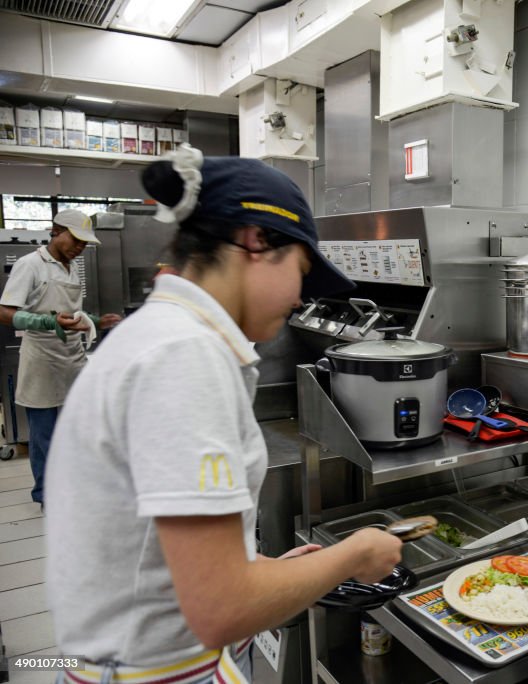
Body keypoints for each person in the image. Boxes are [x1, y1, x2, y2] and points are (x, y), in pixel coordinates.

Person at [44, 145, 403, 683]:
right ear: (258, 241)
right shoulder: (184, 355)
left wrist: (270, 576)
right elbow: (219, 609)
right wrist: (351, 556)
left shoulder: (162, 335)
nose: (300, 297)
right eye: (301, 271)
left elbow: (169, 567)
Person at [0, 210, 121, 508]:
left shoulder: (70, 267)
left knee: (75, 431)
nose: (80, 247)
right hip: (41, 358)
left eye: (84, 243)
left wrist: (94, 320)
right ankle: (47, 496)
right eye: (76, 240)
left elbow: (67, 313)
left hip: (71, 357)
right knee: (44, 436)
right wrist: (45, 323)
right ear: (56, 230)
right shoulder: (30, 265)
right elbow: (5, 312)